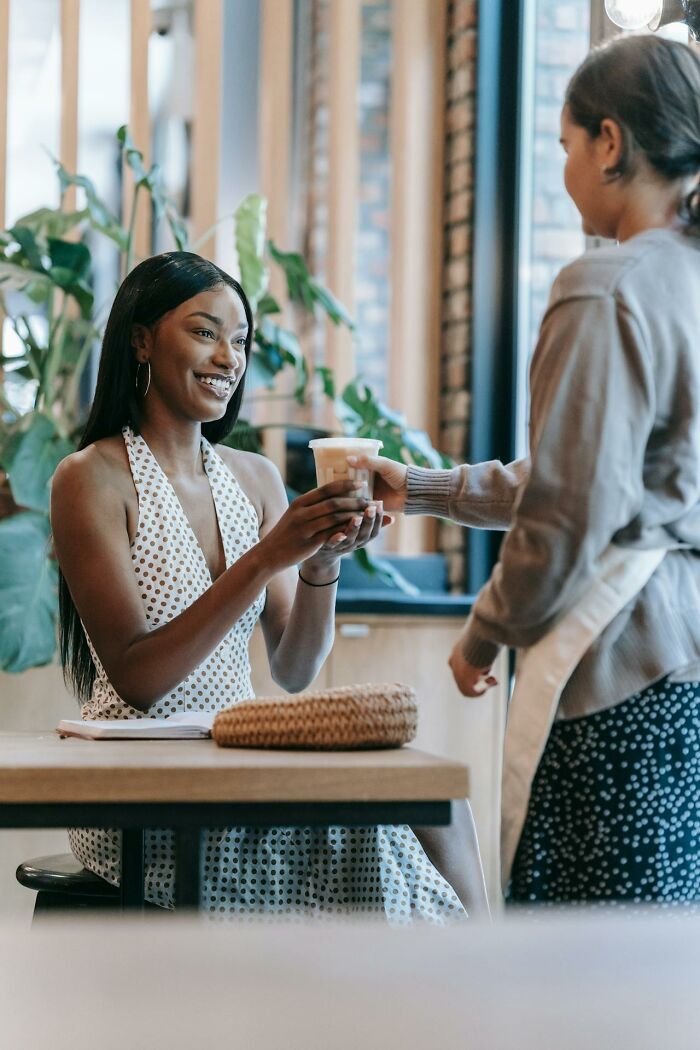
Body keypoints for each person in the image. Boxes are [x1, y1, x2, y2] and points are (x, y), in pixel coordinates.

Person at [355, 34, 700, 906]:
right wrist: (426, 487)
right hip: (687, 662)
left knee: (587, 966)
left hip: (619, 662)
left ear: (610, 142)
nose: (563, 169)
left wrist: (485, 629)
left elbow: (569, 513)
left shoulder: (605, 285)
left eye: (563, 145)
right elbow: (590, 478)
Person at [52, 251, 471, 921]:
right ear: (140, 339)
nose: (228, 357)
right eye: (204, 331)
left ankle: (477, 1001)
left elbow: (296, 668)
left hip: (236, 760)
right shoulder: (90, 478)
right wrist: (266, 555)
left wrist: (319, 562)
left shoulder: (254, 478)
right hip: (136, 789)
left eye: (240, 340)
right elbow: (138, 677)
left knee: (438, 806)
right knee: (376, 840)